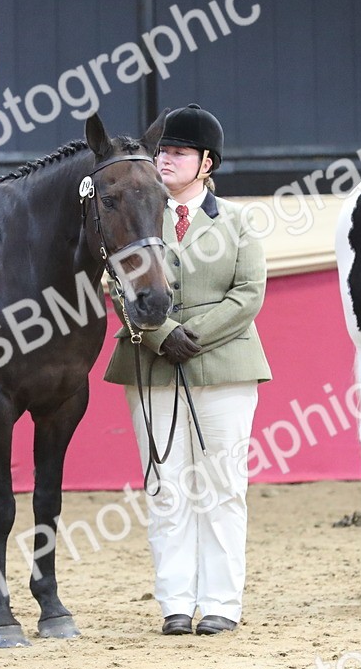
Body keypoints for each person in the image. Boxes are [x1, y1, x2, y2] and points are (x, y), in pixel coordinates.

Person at [104, 104, 270, 636]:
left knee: (222, 486)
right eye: (163, 151)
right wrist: (160, 334)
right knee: (165, 487)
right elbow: (116, 284)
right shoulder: (138, 216)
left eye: (178, 152)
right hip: (151, 364)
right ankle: (175, 601)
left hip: (224, 365)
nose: (165, 159)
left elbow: (248, 293)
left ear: (206, 163)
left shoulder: (237, 222)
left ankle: (221, 602)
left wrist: (190, 335)